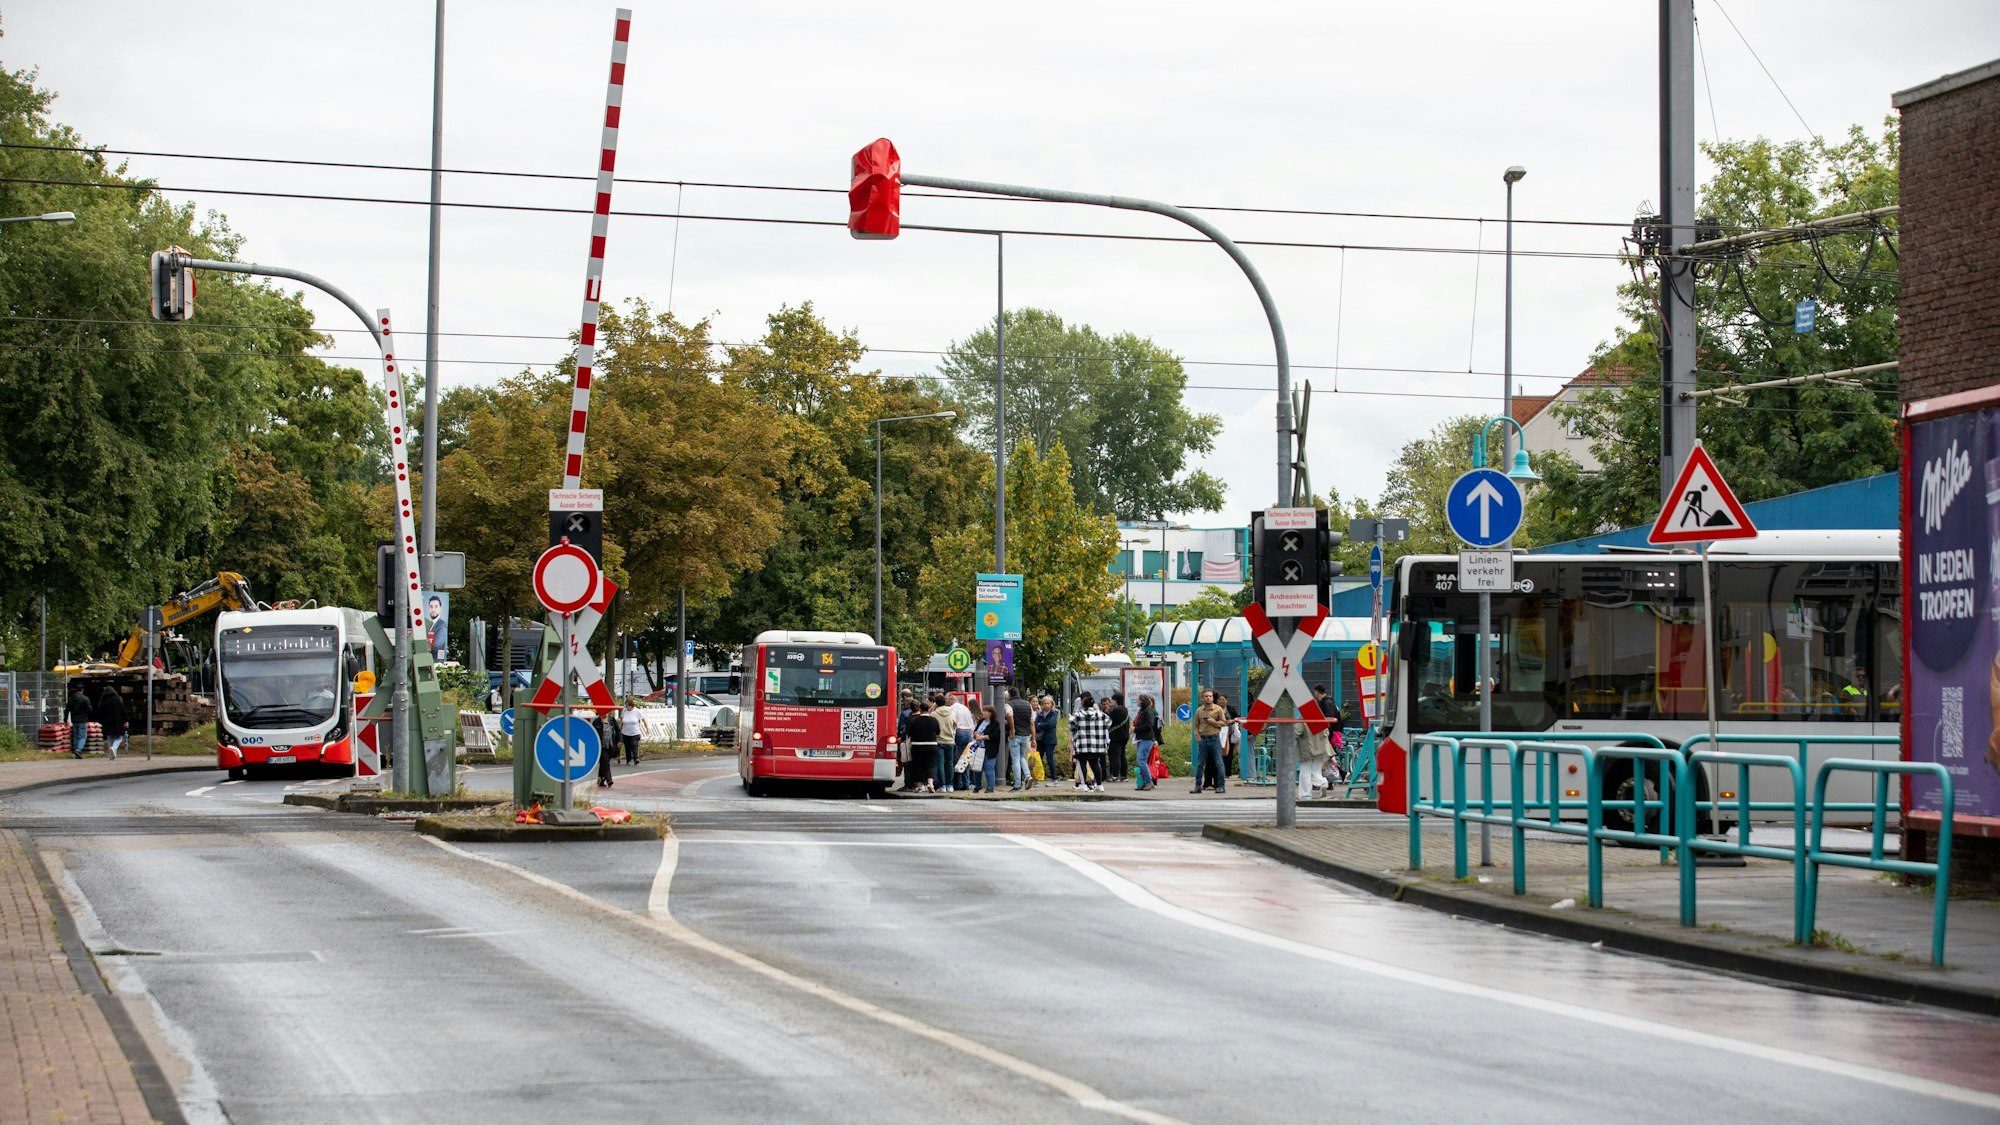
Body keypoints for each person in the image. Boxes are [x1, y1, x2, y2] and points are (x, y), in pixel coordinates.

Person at [1298, 685, 1335, 800]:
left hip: (1307, 749)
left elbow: (1296, 732)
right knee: (1315, 771)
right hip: (1321, 749)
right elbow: (1326, 732)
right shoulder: (1320, 718)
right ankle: (1322, 783)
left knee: (1305, 771)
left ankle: (1305, 794)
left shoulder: (1303, 719)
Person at [1068, 691, 1110, 792]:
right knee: (1095, 763)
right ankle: (1099, 785)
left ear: (1083, 704)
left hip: (1082, 744)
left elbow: (1070, 725)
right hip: (1097, 744)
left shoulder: (1078, 715)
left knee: (1082, 763)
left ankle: (1083, 784)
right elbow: (1109, 723)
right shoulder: (1101, 714)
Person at [1193, 689, 1228, 793]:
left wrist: (1213, 722)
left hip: (1215, 738)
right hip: (1203, 739)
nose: (1208, 698)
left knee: (1219, 763)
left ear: (1213, 698)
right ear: (1202, 698)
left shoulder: (1218, 709)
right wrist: (1198, 738)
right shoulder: (1199, 710)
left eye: (1210, 696)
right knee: (1200, 764)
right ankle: (1197, 786)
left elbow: (1224, 723)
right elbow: (1195, 725)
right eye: (1206, 696)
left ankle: (1221, 786)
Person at [905, 699, 941, 792]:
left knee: (918, 765)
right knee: (931, 765)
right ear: (928, 709)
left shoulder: (914, 721)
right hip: (932, 746)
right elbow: (938, 732)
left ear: (920, 710)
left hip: (917, 746)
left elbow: (909, 733)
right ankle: (930, 783)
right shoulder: (934, 720)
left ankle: (919, 786)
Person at [1131, 694, 1161, 791]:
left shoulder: (1148, 711)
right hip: (1141, 738)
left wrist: (1135, 729)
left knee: (1141, 760)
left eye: (1138, 699)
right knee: (1140, 760)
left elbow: (1149, 725)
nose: (1136, 701)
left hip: (1147, 738)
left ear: (1142, 701)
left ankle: (1149, 782)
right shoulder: (1142, 711)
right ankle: (1144, 782)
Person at [949, 693, 977, 792]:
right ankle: (966, 782)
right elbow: (972, 724)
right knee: (965, 758)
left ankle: (957, 783)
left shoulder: (952, 709)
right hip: (968, 733)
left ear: (950, 701)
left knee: (956, 759)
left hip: (959, 732)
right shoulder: (965, 708)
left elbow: (952, 723)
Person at [1006, 689, 1034, 790]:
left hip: (1015, 736)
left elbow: (1009, 715)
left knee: (1015, 760)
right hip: (1026, 735)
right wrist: (1033, 738)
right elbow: (1031, 722)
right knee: (1022, 757)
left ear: (1009, 695)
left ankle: (1017, 784)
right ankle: (1027, 775)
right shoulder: (1028, 704)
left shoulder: (1009, 704)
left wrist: (1012, 728)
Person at [930, 695, 955, 792]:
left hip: (939, 740)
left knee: (940, 763)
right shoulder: (952, 712)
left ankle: (942, 785)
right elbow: (955, 725)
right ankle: (950, 785)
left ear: (936, 703)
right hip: (950, 741)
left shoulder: (934, 714)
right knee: (950, 763)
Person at [96, 686, 127, 762]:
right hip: (118, 721)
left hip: (107, 722)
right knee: (119, 737)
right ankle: (114, 748)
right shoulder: (118, 699)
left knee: (110, 737)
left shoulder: (103, 701)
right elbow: (123, 710)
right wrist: (126, 720)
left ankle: (111, 756)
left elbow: (100, 712)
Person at [1105, 691, 1131, 784]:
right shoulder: (1125, 710)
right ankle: (1124, 775)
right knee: (1122, 756)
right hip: (1124, 736)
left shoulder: (1117, 711)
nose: (1111, 702)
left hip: (1116, 736)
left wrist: (1106, 712)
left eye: (1112, 700)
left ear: (1116, 700)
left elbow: (1108, 720)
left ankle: (1114, 775)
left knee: (1115, 756)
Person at [1034, 694, 1059, 783]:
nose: (1046, 705)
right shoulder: (1040, 714)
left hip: (1050, 739)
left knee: (1049, 759)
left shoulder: (1054, 713)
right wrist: (1040, 725)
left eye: (1048, 703)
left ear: (1051, 704)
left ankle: (1054, 778)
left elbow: (1050, 724)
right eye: (1044, 703)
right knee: (1038, 759)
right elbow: (1035, 724)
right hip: (1040, 739)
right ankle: (1037, 778)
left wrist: (1041, 725)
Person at [975, 705, 1000, 793]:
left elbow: (995, 736)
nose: (983, 713)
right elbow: (976, 730)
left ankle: (990, 788)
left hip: (989, 749)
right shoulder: (981, 721)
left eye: (985, 711)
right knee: (977, 768)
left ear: (990, 713)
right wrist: (976, 734)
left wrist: (983, 737)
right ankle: (978, 786)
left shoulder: (995, 724)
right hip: (979, 748)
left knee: (989, 768)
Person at [896, 690, 917, 790]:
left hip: (906, 740)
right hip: (917, 740)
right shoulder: (919, 713)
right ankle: (915, 783)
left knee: (906, 762)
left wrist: (900, 738)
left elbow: (902, 728)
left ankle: (908, 784)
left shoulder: (904, 714)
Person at [65, 683, 92, 759]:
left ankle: (76, 751)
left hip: (74, 720)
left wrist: (65, 719)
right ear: (82, 690)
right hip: (82, 719)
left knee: (76, 737)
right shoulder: (85, 698)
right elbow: (90, 709)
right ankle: (78, 750)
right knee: (82, 737)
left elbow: (67, 709)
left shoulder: (71, 699)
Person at [619, 697, 646, 765]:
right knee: (627, 746)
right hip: (625, 732)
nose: (626, 707)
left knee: (634, 744)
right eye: (626, 705)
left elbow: (643, 719)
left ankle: (636, 758)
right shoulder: (624, 711)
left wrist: (647, 727)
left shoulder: (637, 711)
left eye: (627, 705)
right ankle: (628, 759)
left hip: (635, 732)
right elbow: (622, 721)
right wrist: (620, 730)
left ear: (631, 705)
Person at [595, 706, 617, 788]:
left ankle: (600, 779)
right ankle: (609, 780)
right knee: (605, 762)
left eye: (606, 712)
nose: (605, 714)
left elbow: (617, 730)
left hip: (611, 745)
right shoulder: (597, 722)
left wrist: (620, 741)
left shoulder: (612, 720)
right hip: (601, 746)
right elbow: (593, 734)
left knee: (604, 763)